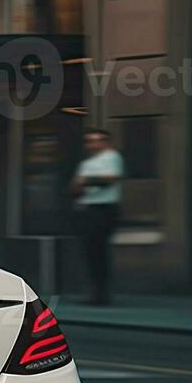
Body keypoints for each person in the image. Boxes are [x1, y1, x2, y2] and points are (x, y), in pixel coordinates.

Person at [71, 128, 124, 305]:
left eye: (96, 140)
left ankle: (102, 294)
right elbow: (74, 187)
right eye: (89, 141)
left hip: (104, 208)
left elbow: (111, 178)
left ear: (105, 142)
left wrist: (85, 181)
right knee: (90, 252)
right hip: (87, 209)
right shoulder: (86, 163)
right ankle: (94, 292)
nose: (92, 144)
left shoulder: (111, 157)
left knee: (99, 250)